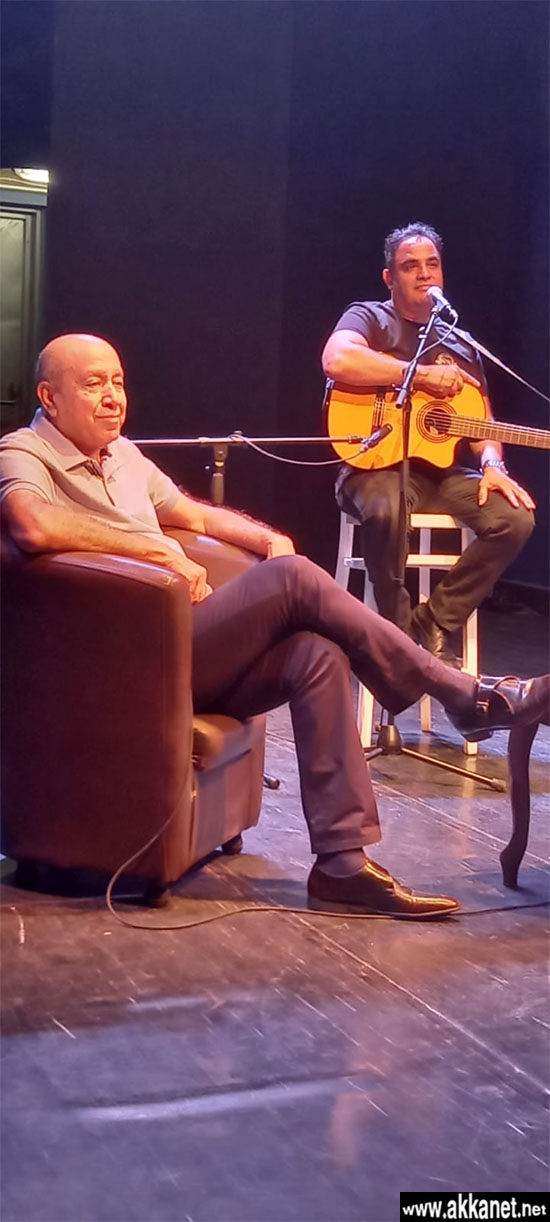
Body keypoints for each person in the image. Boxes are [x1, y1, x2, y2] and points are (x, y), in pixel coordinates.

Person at [0, 334, 546, 920]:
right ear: (49, 397)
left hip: (179, 644)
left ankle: (341, 864)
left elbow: (192, 512)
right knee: (294, 579)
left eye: (118, 382)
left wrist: (267, 538)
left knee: (314, 653)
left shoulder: (122, 454)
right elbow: (31, 524)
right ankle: (464, 694)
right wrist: (153, 552)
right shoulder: (24, 450)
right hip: (120, 663)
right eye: (94, 384)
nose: (113, 397)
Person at [322, 222, 535, 667]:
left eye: (432, 264)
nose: (424, 274)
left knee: (515, 518)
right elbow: (337, 359)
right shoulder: (369, 317)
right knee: (387, 510)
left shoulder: (461, 344)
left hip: (442, 474)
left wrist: (493, 465)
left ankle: (433, 623)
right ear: (390, 277)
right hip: (371, 468)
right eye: (410, 266)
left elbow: (483, 424)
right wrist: (419, 376)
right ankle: (398, 640)